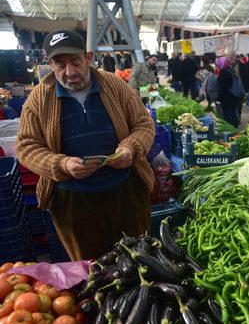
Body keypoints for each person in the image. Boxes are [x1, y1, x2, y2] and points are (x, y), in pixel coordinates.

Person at [16, 29, 154, 261]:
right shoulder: (39, 99)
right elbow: (26, 146)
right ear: (49, 64)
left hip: (125, 193)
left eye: (75, 62)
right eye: (60, 65)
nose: (70, 72)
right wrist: (62, 164)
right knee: (92, 268)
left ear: (88, 58)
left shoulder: (114, 85)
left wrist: (130, 148)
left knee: (140, 259)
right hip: (74, 202)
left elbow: (144, 124)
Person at [216, 56, 244, 128]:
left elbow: (222, 87)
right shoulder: (230, 70)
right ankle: (235, 128)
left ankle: (231, 131)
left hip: (227, 97)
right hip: (233, 96)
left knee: (228, 115)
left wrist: (218, 98)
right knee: (233, 113)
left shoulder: (223, 72)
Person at [228, 51, 249, 123]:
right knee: (231, 105)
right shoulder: (227, 66)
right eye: (229, 57)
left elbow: (246, 78)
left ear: (235, 57)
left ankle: (238, 119)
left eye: (231, 57)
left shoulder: (242, 66)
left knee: (239, 105)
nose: (230, 59)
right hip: (230, 89)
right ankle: (234, 119)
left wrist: (246, 90)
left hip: (240, 89)